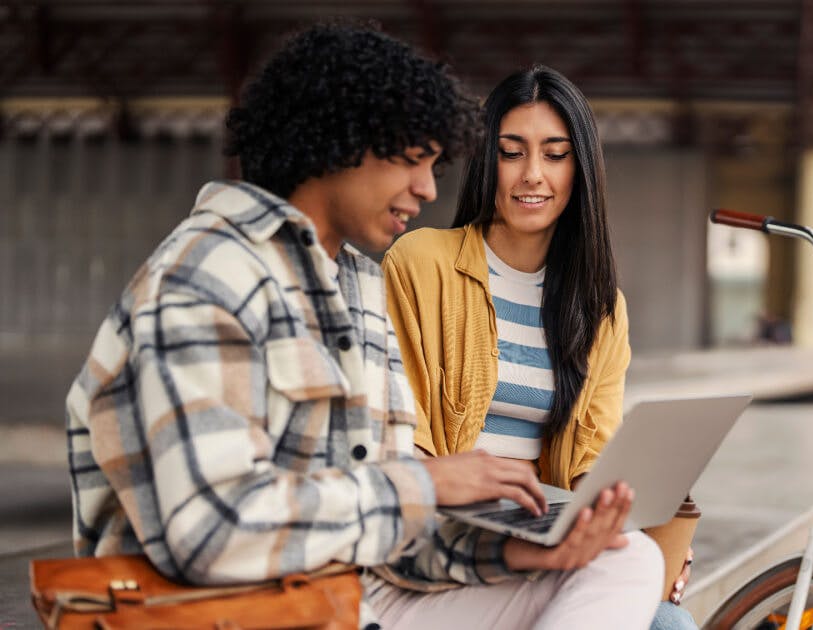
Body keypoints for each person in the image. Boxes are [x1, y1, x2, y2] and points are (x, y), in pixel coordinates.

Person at [65, 23, 660, 629]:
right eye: (412, 161)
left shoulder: (358, 285)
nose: (428, 189)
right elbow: (211, 533)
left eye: (433, 165)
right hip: (227, 614)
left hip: (351, 599)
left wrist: (519, 550)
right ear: (340, 143)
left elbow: (394, 536)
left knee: (627, 560)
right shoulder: (206, 277)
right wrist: (421, 483)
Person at [383, 65, 697, 629]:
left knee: (669, 619)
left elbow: (592, 466)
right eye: (512, 152)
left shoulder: (602, 309)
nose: (533, 175)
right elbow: (407, 446)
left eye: (555, 154)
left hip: (542, 521)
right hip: (449, 530)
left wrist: (635, 522)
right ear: (488, 162)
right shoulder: (420, 263)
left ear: (581, 169)